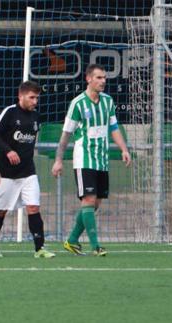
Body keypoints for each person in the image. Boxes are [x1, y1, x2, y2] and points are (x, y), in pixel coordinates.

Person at [51, 64, 131, 256]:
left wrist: (124, 149)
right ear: (88, 79)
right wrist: (58, 160)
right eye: (99, 78)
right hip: (84, 159)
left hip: (101, 160)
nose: (103, 81)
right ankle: (95, 246)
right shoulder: (78, 104)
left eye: (104, 78)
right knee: (88, 199)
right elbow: (65, 135)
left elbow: (113, 128)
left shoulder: (108, 102)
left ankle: (71, 240)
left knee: (95, 203)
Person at [0, 81, 56, 259]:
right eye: (32, 97)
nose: (35, 101)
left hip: (28, 172)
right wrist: (8, 150)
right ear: (21, 96)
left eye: (37, 98)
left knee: (33, 207)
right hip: (6, 173)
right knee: (0, 210)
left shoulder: (36, 117)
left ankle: (39, 248)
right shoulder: (9, 112)